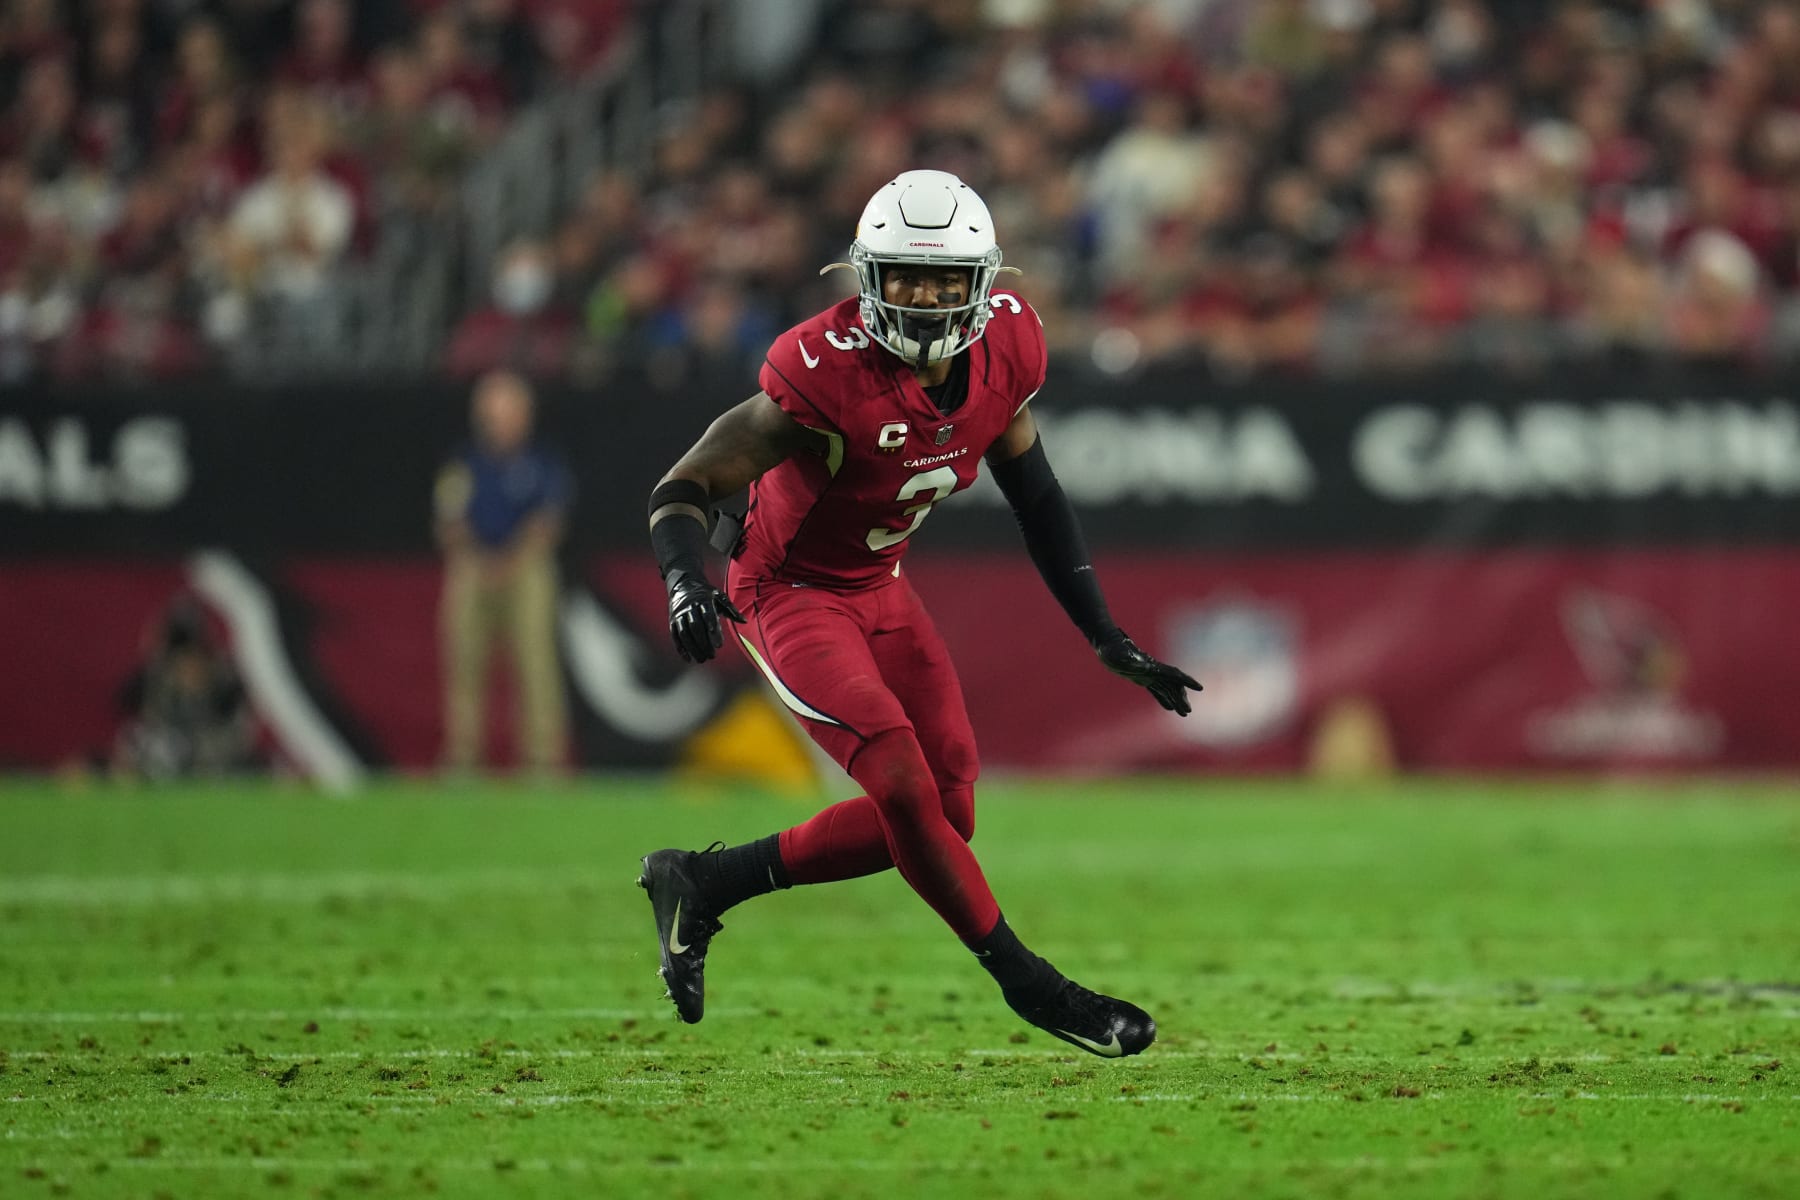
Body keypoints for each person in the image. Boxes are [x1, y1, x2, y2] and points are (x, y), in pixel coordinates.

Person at [639, 170, 1202, 1058]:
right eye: (906, 277)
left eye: (945, 280)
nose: (928, 299)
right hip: (787, 593)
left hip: (881, 589)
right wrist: (683, 579)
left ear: (982, 283)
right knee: (901, 782)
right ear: (869, 277)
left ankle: (703, 882)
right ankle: (1036, 985)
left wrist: (1104, 634)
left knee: (946, 813)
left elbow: (1038, 494)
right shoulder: (823, 369)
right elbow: (686, 484)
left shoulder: (1009, 348)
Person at [435, 368, 572, 775]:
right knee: (465, 664)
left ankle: (543, 760)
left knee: (535, 662)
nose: (506, 420)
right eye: (497, 412)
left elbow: (548, 522)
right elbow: (448, 519)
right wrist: (477, 558)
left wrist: (511, 561)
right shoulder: (464, 464)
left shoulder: (541, 462)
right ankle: (462, 757)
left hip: (525, 567)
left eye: (513, 410)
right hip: (473, 567)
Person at [113, 596, 257, 779]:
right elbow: (123, 704)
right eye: (181, 661)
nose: (188, 668)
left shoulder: (225, 679)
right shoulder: (155, 675)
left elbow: (237, 734)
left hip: (216, 754)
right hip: (169, 751)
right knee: (140, 742)